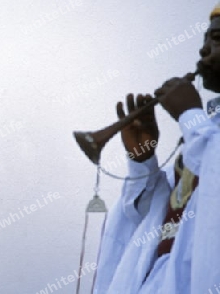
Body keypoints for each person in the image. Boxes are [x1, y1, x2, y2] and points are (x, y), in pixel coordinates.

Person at [93, 4, 220, 294]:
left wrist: (190, 116)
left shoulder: (202, 130)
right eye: (205, 40)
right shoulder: (208, 128)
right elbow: (159, 223)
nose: (203, 52)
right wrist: (144, 162)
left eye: (218, 39)